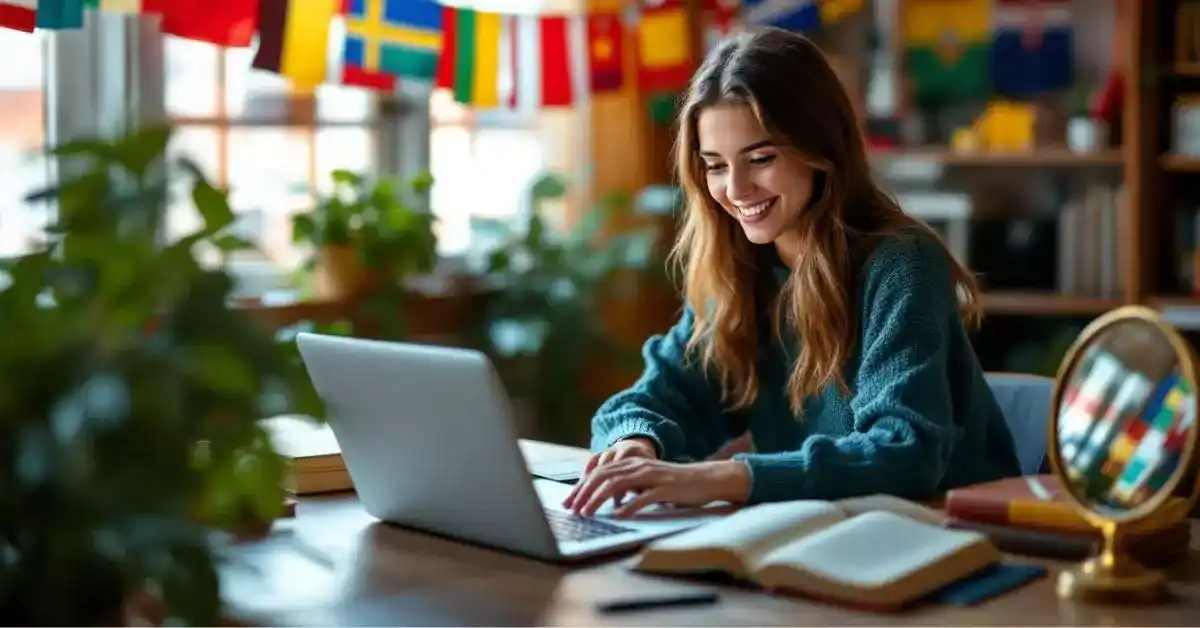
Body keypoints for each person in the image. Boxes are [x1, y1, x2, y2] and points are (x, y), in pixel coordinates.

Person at [563, 28, 1022, 518]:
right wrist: (635, 443)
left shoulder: (902, 265)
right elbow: (655, 397)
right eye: (715, 166)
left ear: (819, 148)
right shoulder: (743, 271)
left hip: (949, 537)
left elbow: (905, 451)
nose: (736, 189)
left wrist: (724, 476)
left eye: (761, 159)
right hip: (824, 531)